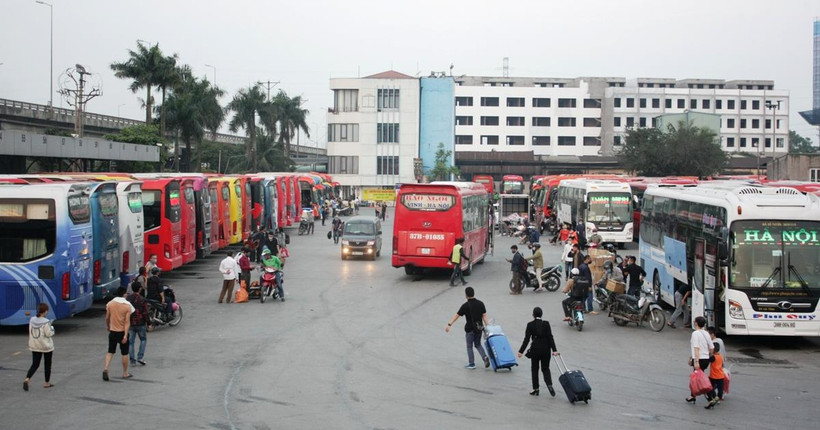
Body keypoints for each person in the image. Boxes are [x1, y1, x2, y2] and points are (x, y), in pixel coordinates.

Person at [445, 287, 490, 370]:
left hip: (470, 329)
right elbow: (485, 316)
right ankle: (484, 357)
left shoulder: (465, 305)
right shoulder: (481, 303)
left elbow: (457, 315)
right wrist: (488, 326)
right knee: (478, 344)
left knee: (469, 346)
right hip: (479, 328)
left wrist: (449, 324)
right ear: (473, 293)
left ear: (466, 295)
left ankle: (472, 364)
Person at [517, 307, 559, 396]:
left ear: (533, 315)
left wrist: (521, 351)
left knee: (535, 369)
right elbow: (550, 337)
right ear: (541, 314)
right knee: (545, 369)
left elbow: (527, 339)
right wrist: (554, 350)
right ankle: (549, 385)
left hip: (535, 350)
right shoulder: (546, 324)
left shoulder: (530, 325)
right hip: (546, 350)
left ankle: (536, 389)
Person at [103, 287, 135, 381]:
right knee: (124, 353)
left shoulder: (110, 304)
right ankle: (125, 373)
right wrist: (125, 335)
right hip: (122, 332)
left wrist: (108, 326)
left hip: (112, 331)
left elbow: (107, 318)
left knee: (110, 351)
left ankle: (106, 368)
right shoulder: (127, 306)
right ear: (124, 294)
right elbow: (127, 322)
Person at [686, 316, 718, 408]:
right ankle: (692, 396)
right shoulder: (706, 333)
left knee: (701, 380)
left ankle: (712, 397)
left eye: (694, 321)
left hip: (698, 359)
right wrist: (706, 354)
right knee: (697, 377)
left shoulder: (695, 334)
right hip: (705, 359)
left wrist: (696, 361)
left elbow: (696, 348)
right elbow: (712, 348)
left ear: (696, 323)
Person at [23, 303, 55, 391]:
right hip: (46, 346)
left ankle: (27, 378)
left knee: (35, 364)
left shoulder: (32, 320)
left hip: (35, 345)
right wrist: (52, 328)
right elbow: (49, 334)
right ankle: (46, 382)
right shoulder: (46, 322)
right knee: (47, 365)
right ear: (44, 311)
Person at [127, 282, 149, 366]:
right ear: (140, 289)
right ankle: (140, 357)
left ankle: (132, 360)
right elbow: (145, 313)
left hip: (130, 323)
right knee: (143, 339)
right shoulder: (142, 299)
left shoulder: (128, 299)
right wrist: (149, 323)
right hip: (141, 323)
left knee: (131, 342)